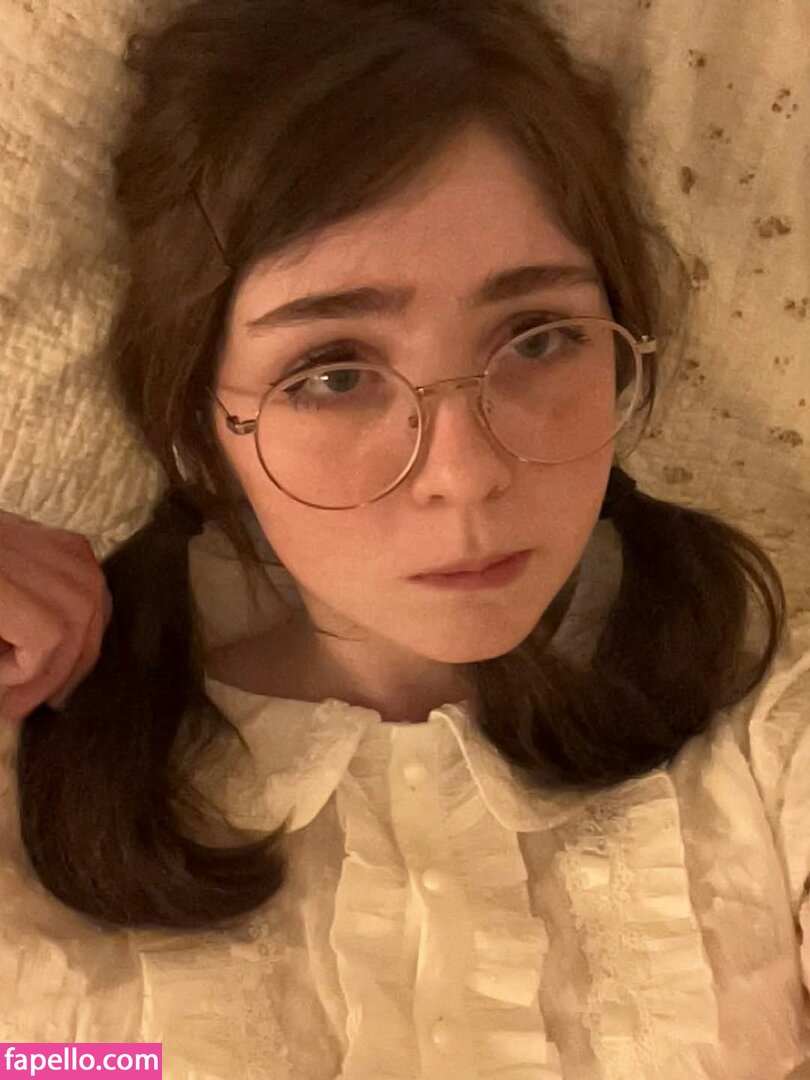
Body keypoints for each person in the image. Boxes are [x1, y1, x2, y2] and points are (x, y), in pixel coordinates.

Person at [1, 0, 809, 1076]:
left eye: (539, 338)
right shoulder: (36, 776)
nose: (466, 473)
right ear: (196, 428)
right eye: (334, 373)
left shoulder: (765, 729)